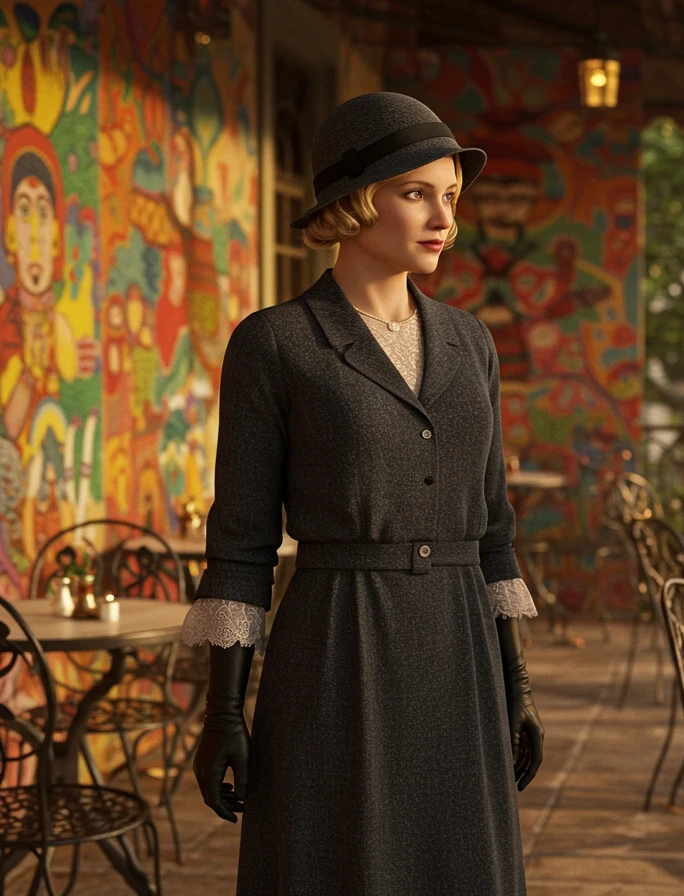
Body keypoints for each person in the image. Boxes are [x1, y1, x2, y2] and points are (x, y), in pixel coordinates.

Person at [180, 92, 544, 895]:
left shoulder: (471, 342)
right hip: (337, 647)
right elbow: (241, 543)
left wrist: (515, 685)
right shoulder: (275, 343)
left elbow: (494, 530)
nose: (443, 218)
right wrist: (223, 713)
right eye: (417, 193)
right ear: (354, 202)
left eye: (451, 195)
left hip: (461, 647)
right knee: (337, 861)